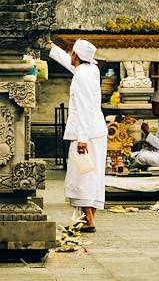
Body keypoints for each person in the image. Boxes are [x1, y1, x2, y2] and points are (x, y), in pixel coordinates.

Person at [48, 39, 107, 232]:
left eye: (72, 52)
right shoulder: (90, 71)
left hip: (87, 133)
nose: (70, 55)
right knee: (93, 173)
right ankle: (85, 218)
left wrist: (82, 138)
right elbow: (71, 65)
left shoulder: (82, 76)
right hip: (96, 131)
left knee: (83, 175)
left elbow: (83, 108)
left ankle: (89, 220)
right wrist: (52, 48)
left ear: (77, 55)